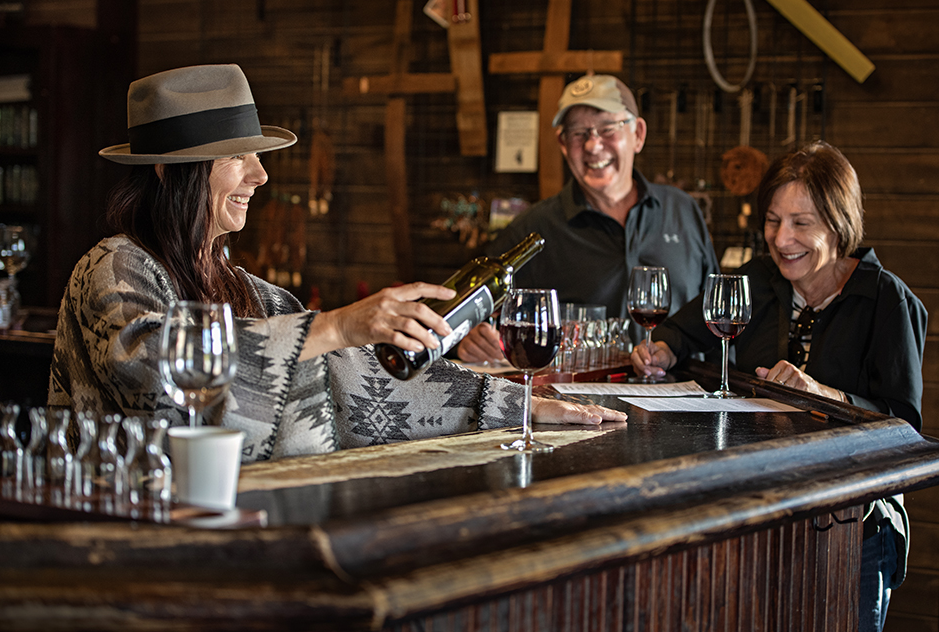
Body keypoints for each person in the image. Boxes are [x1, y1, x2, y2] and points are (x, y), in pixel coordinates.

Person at [47, 64, 626, 462]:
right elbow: (153, 373)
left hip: (254, 521)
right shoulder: (115, 267)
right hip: (133, 535)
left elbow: (359, 378)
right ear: (169, 171)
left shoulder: (253, 294)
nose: (260, 175)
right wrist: (337, 324)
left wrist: (522, 405)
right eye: (237, 157)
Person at [632, 141, 926, 632]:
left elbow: (905, 427)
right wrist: (662, 348)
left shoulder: (886, 300)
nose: (781, 238)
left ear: (838, 224)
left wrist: (825, 395)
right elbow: (686, 328)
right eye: (773, 220)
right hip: (761, 516)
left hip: (853, 528)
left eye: (801, 223)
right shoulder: (758, 280)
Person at [456, 74, 719, 363]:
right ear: (563, 143)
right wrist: (468, 338)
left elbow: (717, 312)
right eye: (578, 133)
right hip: (581, 404)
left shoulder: (682, 210)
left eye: (608, 128)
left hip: (683, 398)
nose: (593, 146)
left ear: (638, 135)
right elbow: (459, 315)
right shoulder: (535, 227)